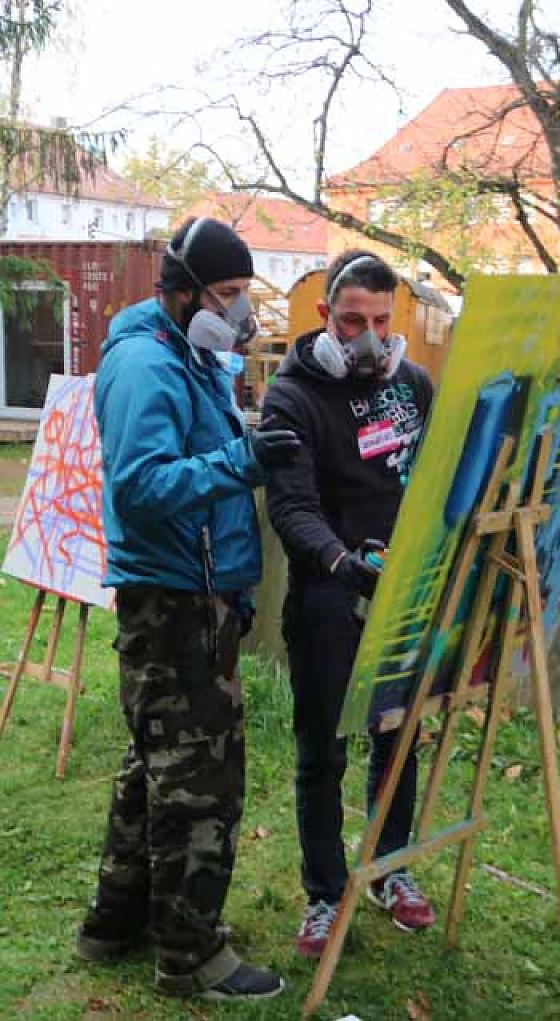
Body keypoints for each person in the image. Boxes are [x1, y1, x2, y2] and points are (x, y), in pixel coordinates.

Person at [76, 217, 300, 1001]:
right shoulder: (146, 364)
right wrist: (242, 460)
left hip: (195, 588)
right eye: (228, 293)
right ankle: (191, 954)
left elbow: (190, 457)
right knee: (200, 782)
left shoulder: (188, 354)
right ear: (183, 290)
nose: (239, 310)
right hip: (173, 597)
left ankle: (115, 922)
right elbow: (140, 487)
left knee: (156, 764)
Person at [262, 249, 436, 959]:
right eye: (353, 321)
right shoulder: (291, 396)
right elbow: (291, 507)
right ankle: (325, 891)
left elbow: (437, 480)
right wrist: (342, 562)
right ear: (324, 315)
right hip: (328, 594)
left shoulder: (413, 385)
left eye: (381, 321)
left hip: (400, 596)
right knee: (322, 751)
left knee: (397, 737)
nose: (368, 338)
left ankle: (389, 869)